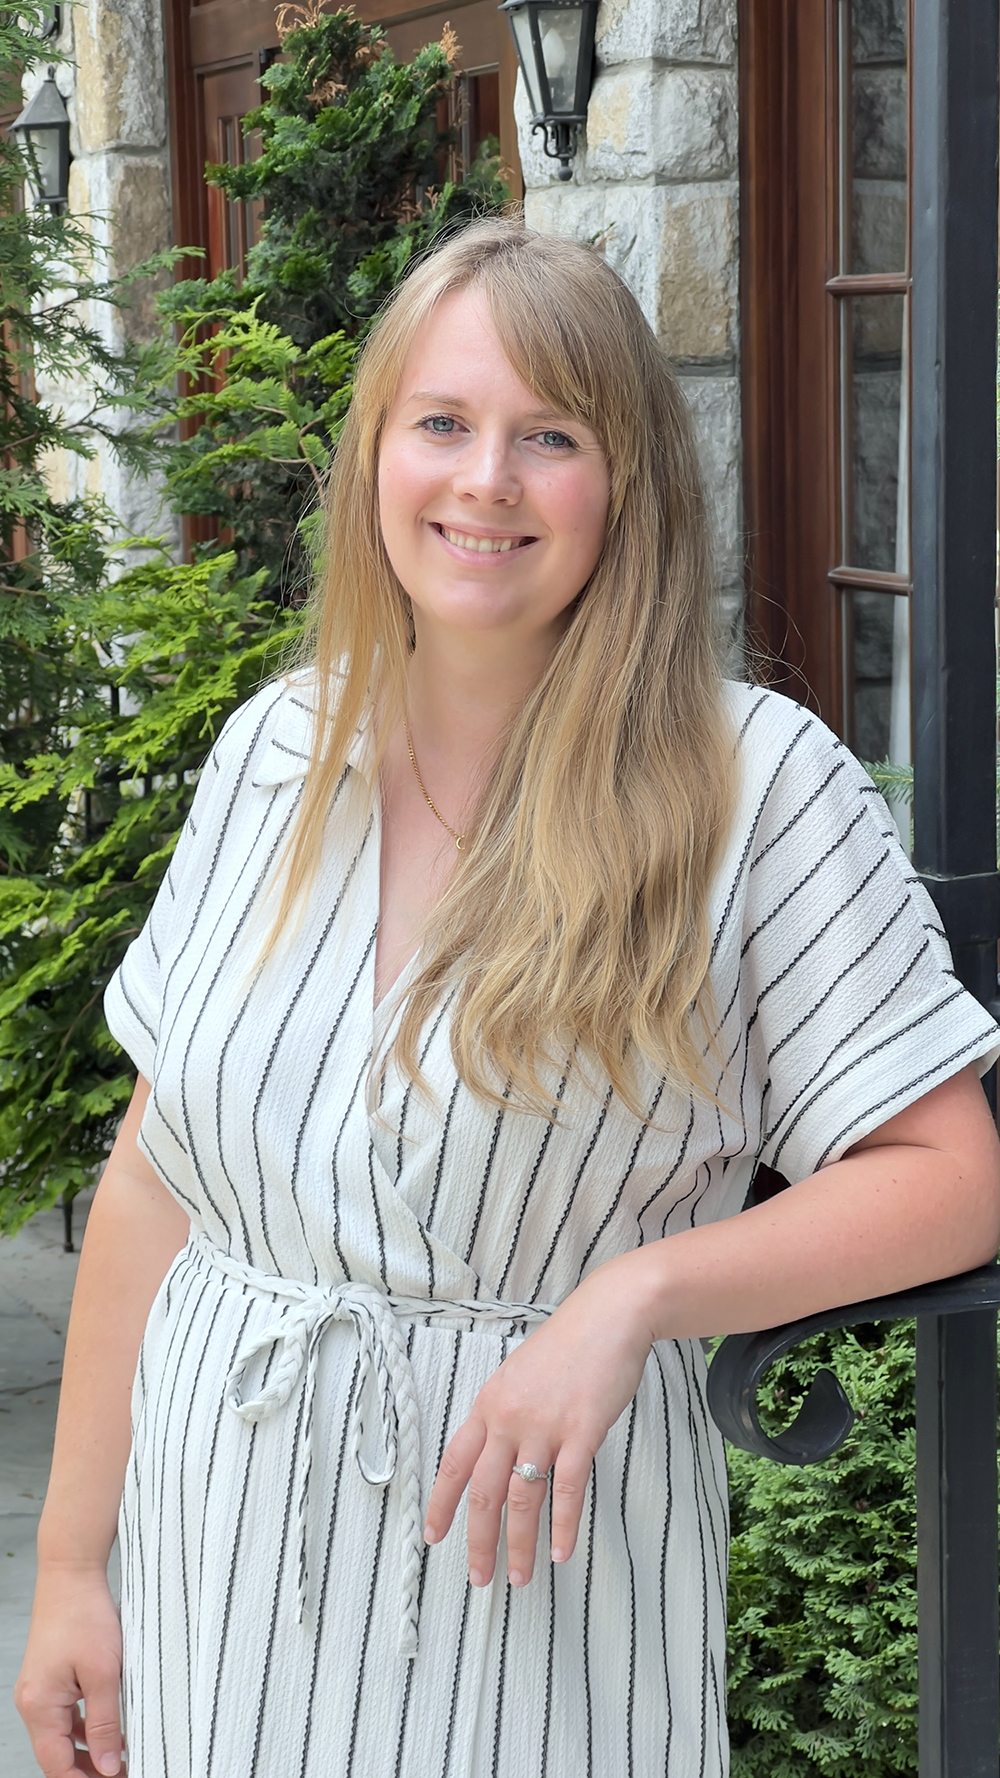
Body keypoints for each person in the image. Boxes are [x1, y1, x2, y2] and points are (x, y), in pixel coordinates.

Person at [15, 219, 1000, 1778]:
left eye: (551, 436)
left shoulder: (753, 787)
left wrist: (637, 1296)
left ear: (629, 489)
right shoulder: (277, 748)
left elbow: (953, 1181)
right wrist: (74, 1570)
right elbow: (154, 1173)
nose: (486, 480)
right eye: (445, 424)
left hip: (535, 1572)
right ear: (376, 463)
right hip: (221, 1544)